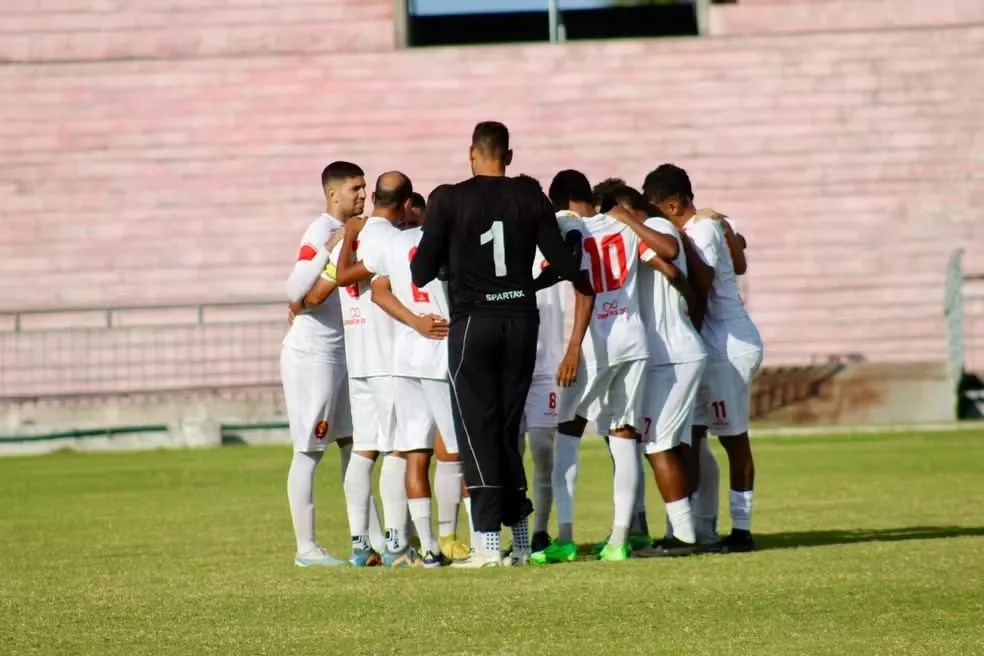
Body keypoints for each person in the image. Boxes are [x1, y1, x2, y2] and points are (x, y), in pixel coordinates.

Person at [410, 121, 594, 567]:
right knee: (509, 430)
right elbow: (566, 263)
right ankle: (523, 540)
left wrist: (453, 265)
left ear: (472, 153)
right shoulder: (530, 197)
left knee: (478, 432)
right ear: (509, 156)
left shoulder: (449, 199)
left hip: (475, 321)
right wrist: (536, 280)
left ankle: (487, 544)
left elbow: (420, 272)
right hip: (520, 321)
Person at [534, 180, 680, 564]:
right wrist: (629, 218)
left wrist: (571, 349)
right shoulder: (622, 223)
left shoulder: (567, 226)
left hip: (594, 344)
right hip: (634, 341)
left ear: (564, 203)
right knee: (624, 435)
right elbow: (669, 251)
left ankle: (564, 537)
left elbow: (581, 284)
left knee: (568, 432)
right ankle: (619, 540)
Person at [643, 164, 763, 552]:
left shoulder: (703, 229)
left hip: (727, 346)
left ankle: (742, 530)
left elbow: (705, 282)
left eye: (658, 212)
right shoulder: (709, 225)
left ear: (674, 206)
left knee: (733, 439)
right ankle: (695, 528)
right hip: (709, 346)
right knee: (693, 437)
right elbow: (741, 263)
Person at [282, 161, 382, 567]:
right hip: (313, 357)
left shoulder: (360, 230)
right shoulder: (321, 231)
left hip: (343, 354)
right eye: (355, 188)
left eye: (365, 187)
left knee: (355, 445)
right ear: (333, 194)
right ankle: (306, 548)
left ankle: (373, 540)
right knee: (308, 452)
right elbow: (296, 290)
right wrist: (304, 299)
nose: (362, 195)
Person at [602, 183, 707, 556]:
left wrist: (627, 219)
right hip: (672, 353)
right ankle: (687, 527)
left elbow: (669, 250)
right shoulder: (638, 236)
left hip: (672, 357)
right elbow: (679, 277)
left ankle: (684, 536)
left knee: (657, 445)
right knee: (672, 445)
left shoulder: (657, 228)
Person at [328, 171, 413, 566]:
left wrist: (348, 234)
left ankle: (361, 543)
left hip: (358, 357)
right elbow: (352, 278)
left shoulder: (353, 235)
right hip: (387, 358)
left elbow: (334, 277)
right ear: (406, 204)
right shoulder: (389, 240)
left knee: (364, 452)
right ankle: (397, 543)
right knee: (398, 449)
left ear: (376, 195)